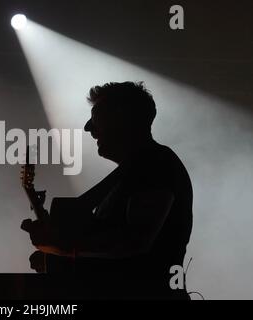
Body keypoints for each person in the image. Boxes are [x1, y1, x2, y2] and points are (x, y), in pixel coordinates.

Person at [21, 82, 193, 299]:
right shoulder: (138, 168)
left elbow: (135, 241)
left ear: (122, 118)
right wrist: (59, 256)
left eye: (97, 116)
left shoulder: (156, 163)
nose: (88, 128)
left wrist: (62, 246)